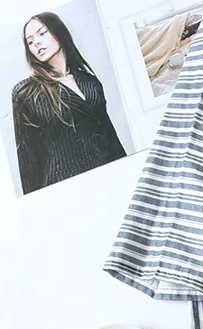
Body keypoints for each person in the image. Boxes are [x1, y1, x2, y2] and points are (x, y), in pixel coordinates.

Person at [11, 11, 127, 195]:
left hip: (105, 179)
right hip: (62, 188)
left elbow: (110, 138)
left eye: (42, 33)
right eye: (30, 42)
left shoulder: (90, 81)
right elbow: (28, 160)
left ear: (58, 31)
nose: (37, 43)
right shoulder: (26, 92)